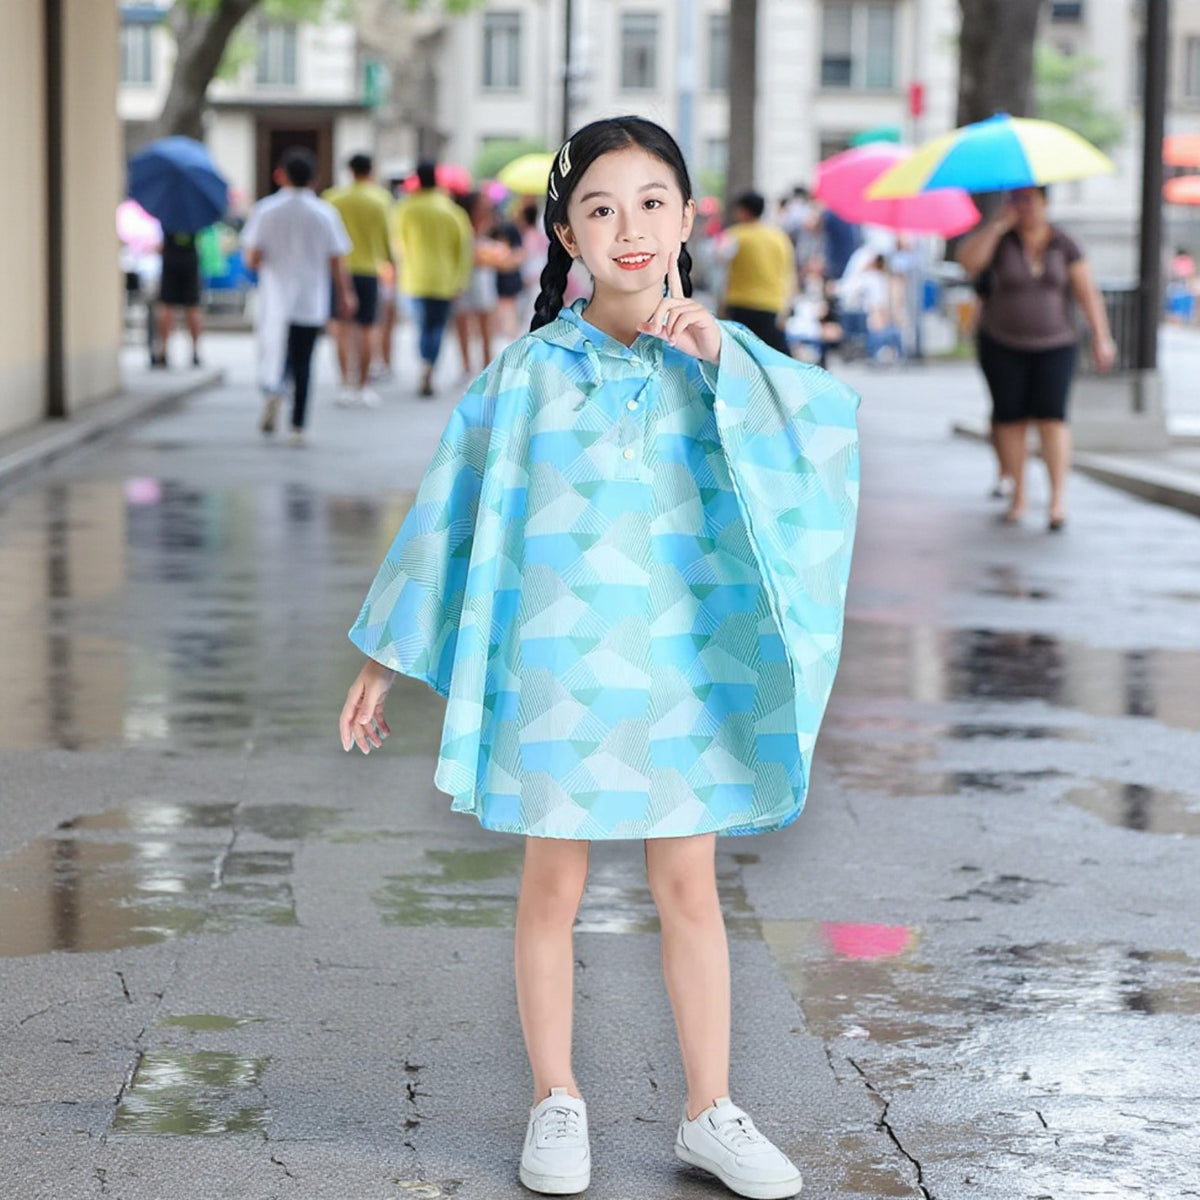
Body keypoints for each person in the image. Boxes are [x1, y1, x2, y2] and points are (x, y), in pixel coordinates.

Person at [338, 115, 860, 1199]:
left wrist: (723, 358)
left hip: (686, 653)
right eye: (602, 208)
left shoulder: (721, 359)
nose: (631, 229)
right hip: (559, 662)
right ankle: (555, 1099)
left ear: (688, 217)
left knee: (690, 886)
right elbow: (450, 511)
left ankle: (709, 1110)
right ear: (564, 233)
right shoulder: (524, 376)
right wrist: (381, 660)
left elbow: (823, 436)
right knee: (550, 886)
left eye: (652, 203)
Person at [957, 185, 1116, 530]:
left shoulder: (1064, 242)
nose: (1023, 206)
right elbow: (968, 262)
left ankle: (1058, 499)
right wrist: (998, 225)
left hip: (1056, 343)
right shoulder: (1001, 240)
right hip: (1002, 342)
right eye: (1015, 199)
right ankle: (1019, 495)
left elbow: (1086, 292)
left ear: (1044, 202)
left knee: (1052, 417)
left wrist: (1102, 337)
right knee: (1010, 418)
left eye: (1029, 199)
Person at [241, 147, 355, 446]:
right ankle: (298, 424)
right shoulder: (324, 213)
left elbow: (252, 258)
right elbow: (336, 259)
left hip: (275, 298)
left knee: (273, 352)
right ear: (314, 178)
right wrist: (345, 293)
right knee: (304, 361)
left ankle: (273, 391)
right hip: (310, 298)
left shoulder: (265, 210)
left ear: (281, 174)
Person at [392, 160, 475, 397]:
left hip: (415, 277)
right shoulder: (451, 210)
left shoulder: (406, 208)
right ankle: (430, 364)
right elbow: (464, 247)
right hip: (445, 279)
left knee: (421, 325)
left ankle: (424, 362)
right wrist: (460, 279)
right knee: (438, 326)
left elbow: (397, 243)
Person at [323, 153, 393, 407]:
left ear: (349, 170)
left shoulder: (333, 198)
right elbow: (387, 238)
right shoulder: (380, 199)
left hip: (339, 269)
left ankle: (345, 385)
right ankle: (363, 386)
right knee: (367, 328)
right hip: (369, 270)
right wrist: (390, 263)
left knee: (340, 328)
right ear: (370, 170)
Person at [718, 191, 796, 355]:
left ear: (744, 210)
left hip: (741, 303)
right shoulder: (779, 237)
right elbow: (788, 272)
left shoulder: (736, 235)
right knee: (774, 353)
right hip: (771, 304)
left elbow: (719, 260)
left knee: (741, 355)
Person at [453, 191, 509, 375]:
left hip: (482, 279)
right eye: (481, 205)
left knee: (485, 325)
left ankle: (485, 366)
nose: (485, 208)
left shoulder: (488, 224)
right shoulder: (462, 226)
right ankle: (466, 367)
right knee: (463, 323)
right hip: (465, 279)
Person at [154, 229, 204, 368]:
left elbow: (159, 245)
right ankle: (195, 351)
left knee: (167, 304)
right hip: (190, 258)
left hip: (170, 257)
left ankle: (163, 350)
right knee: (193, 305)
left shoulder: (167, 214)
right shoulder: (194, 214)